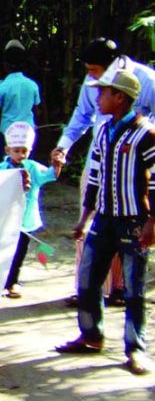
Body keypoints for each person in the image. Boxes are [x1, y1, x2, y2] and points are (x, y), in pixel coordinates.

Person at [55, 69, 153, 376]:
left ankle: (136, 348)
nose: (98, 98)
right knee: (88, 277)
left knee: (134, 286)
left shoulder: (145, 134)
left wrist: (152, 221)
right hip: (105, 217)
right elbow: (95, 176)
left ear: (120, 97)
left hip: (133, 219)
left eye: (104, 93)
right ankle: (91, 334)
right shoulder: (103, 131)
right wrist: (85, 218)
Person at [51, 38, 155, 307]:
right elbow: (81, 116)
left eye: (94, 69)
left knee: (127, 224)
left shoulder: (146, 79)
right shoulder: (91, 86)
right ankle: (85, 289)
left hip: (135, 167)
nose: (90, 76)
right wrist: (63, 147)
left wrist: (136, 135)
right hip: (99, 161)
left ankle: (120, 289)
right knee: (92, 223)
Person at [0, 122, 65, 298]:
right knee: (2, 252)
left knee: (19, 252)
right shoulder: (0, 169)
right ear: (7, 150)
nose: (20, 154)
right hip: (4, 219)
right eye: (16, 150)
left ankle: (13, 282)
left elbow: (50, 175)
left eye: (24, 151)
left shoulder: (32, 167)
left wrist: (57, 164)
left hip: (25, 220)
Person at [0, 40, 40, 158]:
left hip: (7, 131)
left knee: (5, 166)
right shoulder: (32, 85)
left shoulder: (2, 87)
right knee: (27, 164)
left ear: (5, 65)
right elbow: (37, 109)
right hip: (27, 132)